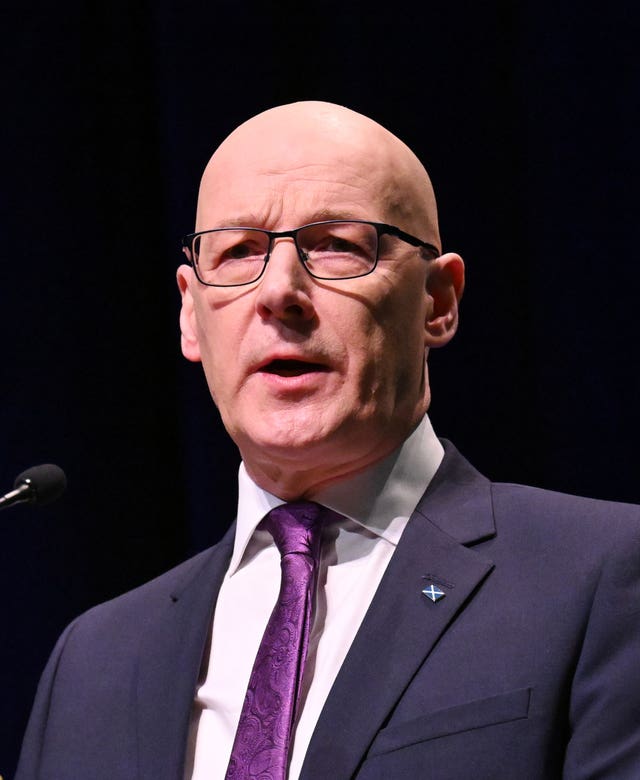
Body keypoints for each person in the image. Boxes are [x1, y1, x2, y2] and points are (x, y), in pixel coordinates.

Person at [16, 101, 640, 779]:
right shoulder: (93, 662)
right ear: (191, 318)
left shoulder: (599, 576)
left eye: (337, 245)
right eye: (238, 251)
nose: (280, 291)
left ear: (438, 301)